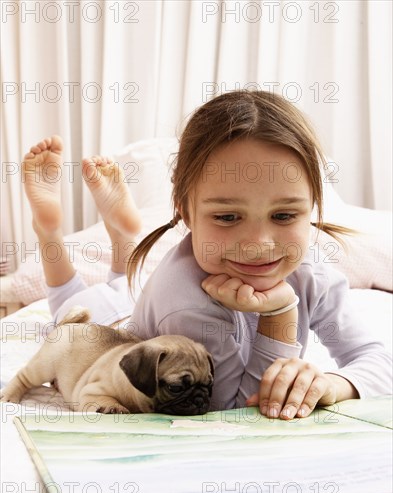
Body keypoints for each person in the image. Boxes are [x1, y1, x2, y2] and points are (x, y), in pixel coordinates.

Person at [22, 91, 391, 420]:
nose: (259, 244)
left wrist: (335, 383)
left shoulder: (313, 274)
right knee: (71, 305)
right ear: (184, 210)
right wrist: (279, 314)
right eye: (227, 217)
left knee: (122, 286)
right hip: (103, 334)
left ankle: (123, 239)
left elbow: (379, 359)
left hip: (136, 308)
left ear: (312, 206)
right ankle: (50, 233)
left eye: (284, 215)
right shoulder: (185, 301)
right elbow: (231, 408)